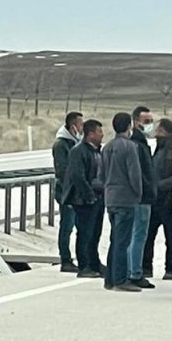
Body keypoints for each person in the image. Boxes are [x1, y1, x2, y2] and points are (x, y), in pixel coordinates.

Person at [102, 112, 143, 292]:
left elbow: (101, 174)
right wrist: (138, 193)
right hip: (125, 198)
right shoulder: (129, 147)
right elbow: (134, 174)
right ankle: (120, 279)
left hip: (110, 197)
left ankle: (110, 278)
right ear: (129, 126)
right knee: (123, 241)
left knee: (115, 239)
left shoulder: (107, 147)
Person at [61, 119, 105, 278]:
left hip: (99, 197)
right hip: (84, 200)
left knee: (95, 233)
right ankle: (84, 265)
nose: (102, 135)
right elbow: (77, 176)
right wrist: (89, 195)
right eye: (99, 132)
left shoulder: (97, 150)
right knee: (85, 233)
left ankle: (94, 263)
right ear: (90, 134)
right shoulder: (78, 151)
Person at [145, 118, 172, 280]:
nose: (156, 134)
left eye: (159, 131)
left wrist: (160, 186)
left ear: (166, 131)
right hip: (154, 200)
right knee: (148, 236)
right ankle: (146, 267)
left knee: (171, 238)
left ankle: (170, 268)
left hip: (169, 199)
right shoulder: (159, 148)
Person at [126, 106, 157, 288]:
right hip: (142, 197)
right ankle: (135, 272)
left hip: (139, 196)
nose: (149, 125)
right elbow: (140, 173)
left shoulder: (141, 143)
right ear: (136, 122)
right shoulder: (137, 145)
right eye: (146, 122)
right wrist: (148, 190)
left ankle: (132, 269)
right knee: (138, 235)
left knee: (134, 235)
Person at [52, 111, 83, 272]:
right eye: (80, 125)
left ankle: (82, 258)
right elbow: (63, 172)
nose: (82, 128)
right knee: (67, 226)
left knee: (80, 226)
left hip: (77, 194)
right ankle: (65, 259)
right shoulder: (61, 145)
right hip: (67, 193)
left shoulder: (75, 142)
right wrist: (70, 193)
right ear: (73, 126)